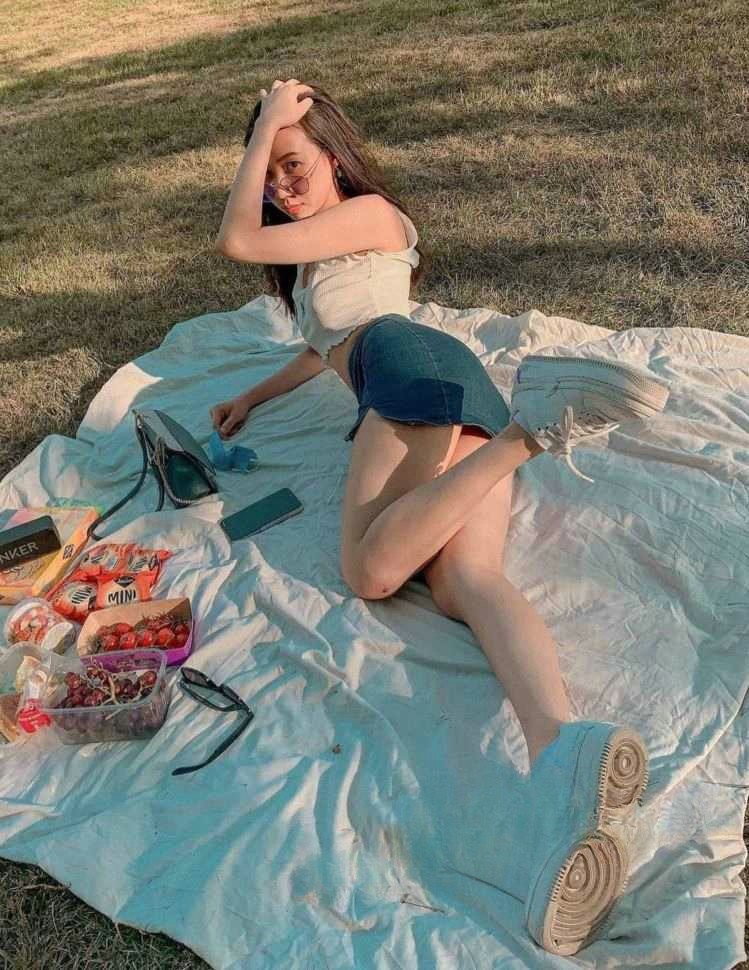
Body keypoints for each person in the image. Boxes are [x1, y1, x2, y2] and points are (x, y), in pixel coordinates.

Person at [210, 78, 670, 956]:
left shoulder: (373, 214)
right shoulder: (323, 255)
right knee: (466, 582)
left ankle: (533, 433)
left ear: (334, 156)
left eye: (292, 164)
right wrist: (250, 397)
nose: (280, 185)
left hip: (409, 369)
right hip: (445, 380)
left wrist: (268, 121)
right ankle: (561, 755)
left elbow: (236, 240)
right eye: (268, 176)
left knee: (369, 571)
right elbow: (321, 349)